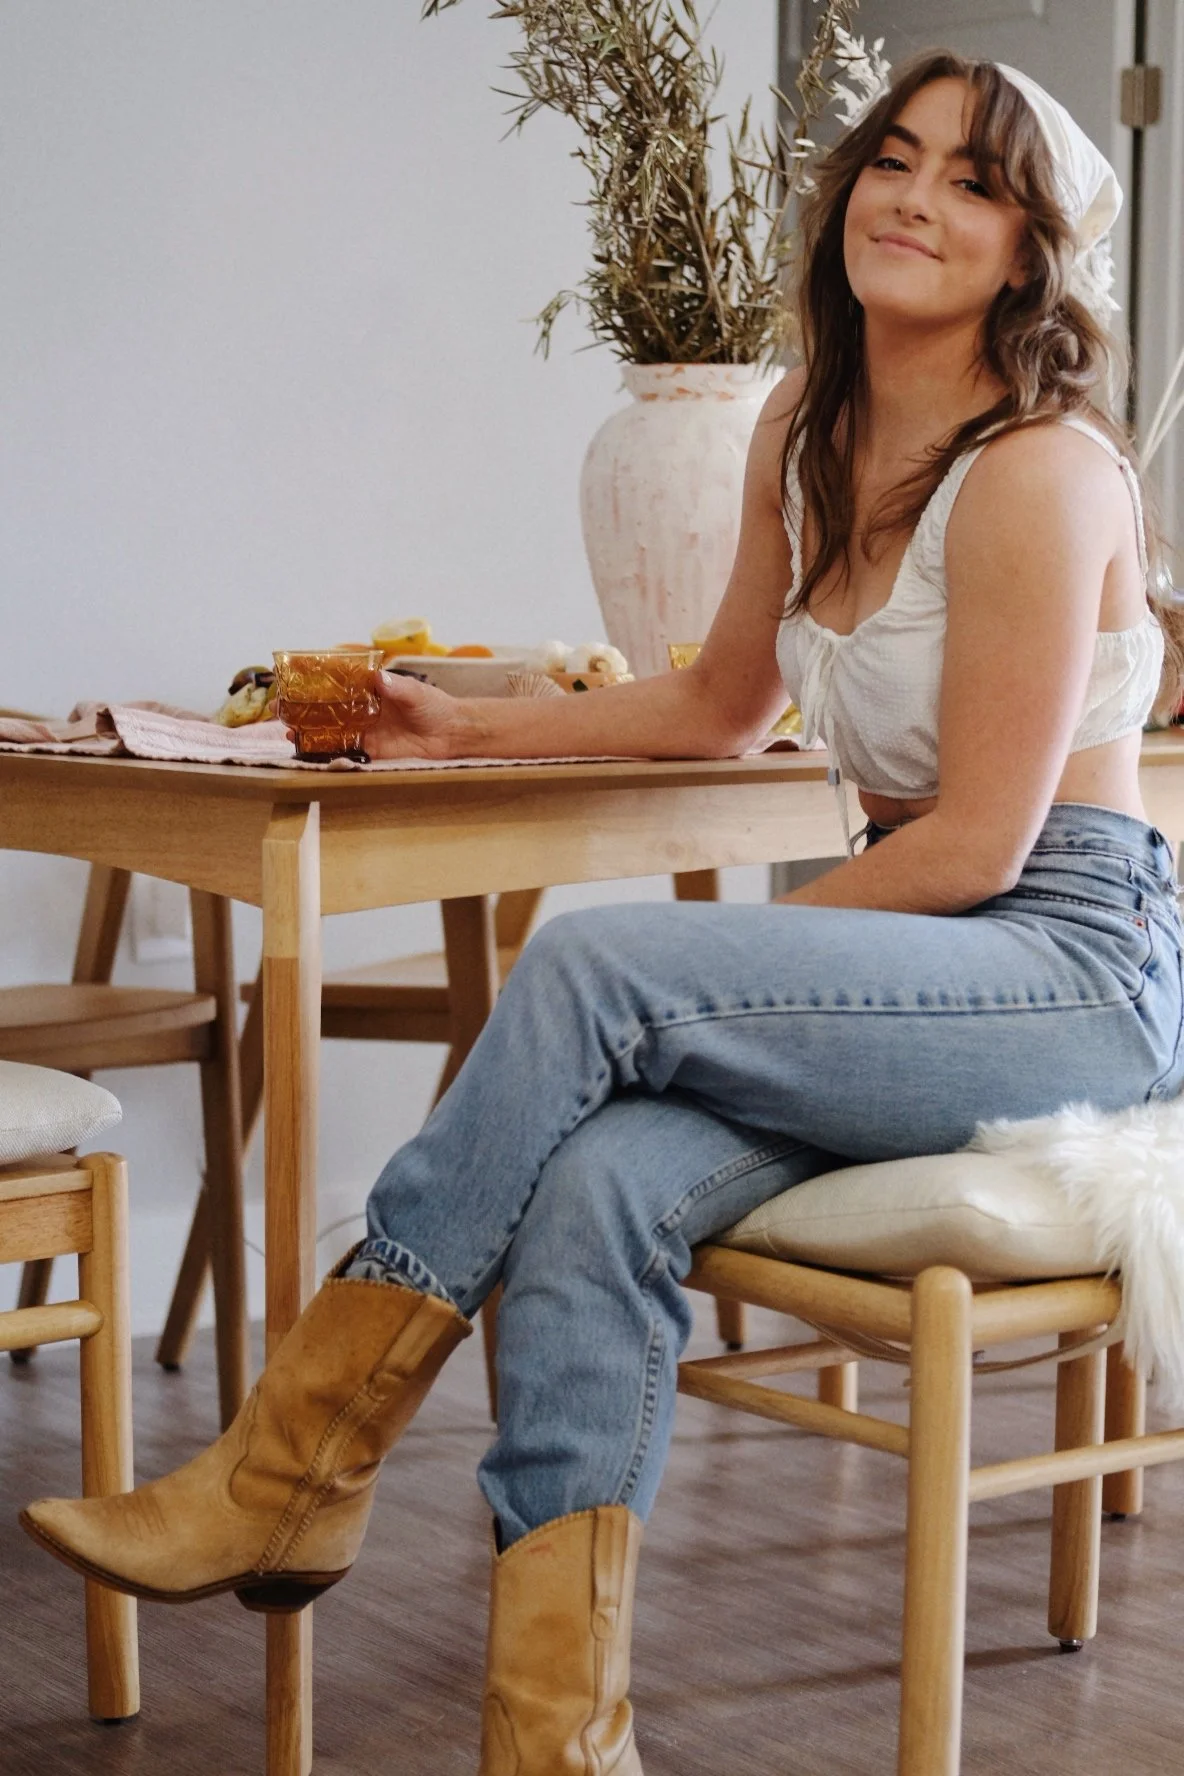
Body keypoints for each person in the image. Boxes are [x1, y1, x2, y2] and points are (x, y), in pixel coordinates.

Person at [23, 50, 1184, 1775]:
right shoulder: (807, 424)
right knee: (592, 1184)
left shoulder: (1038, 470)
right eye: (894, 157)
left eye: (971, 181)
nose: (913, 197)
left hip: (1060, 959)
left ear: (1026, 255)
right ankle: (556, 1738)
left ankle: (296, 1462)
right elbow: (719, 700)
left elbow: (976, 850)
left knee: (596, 969)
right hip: (917, 957)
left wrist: (728, 976)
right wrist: (462, 726)